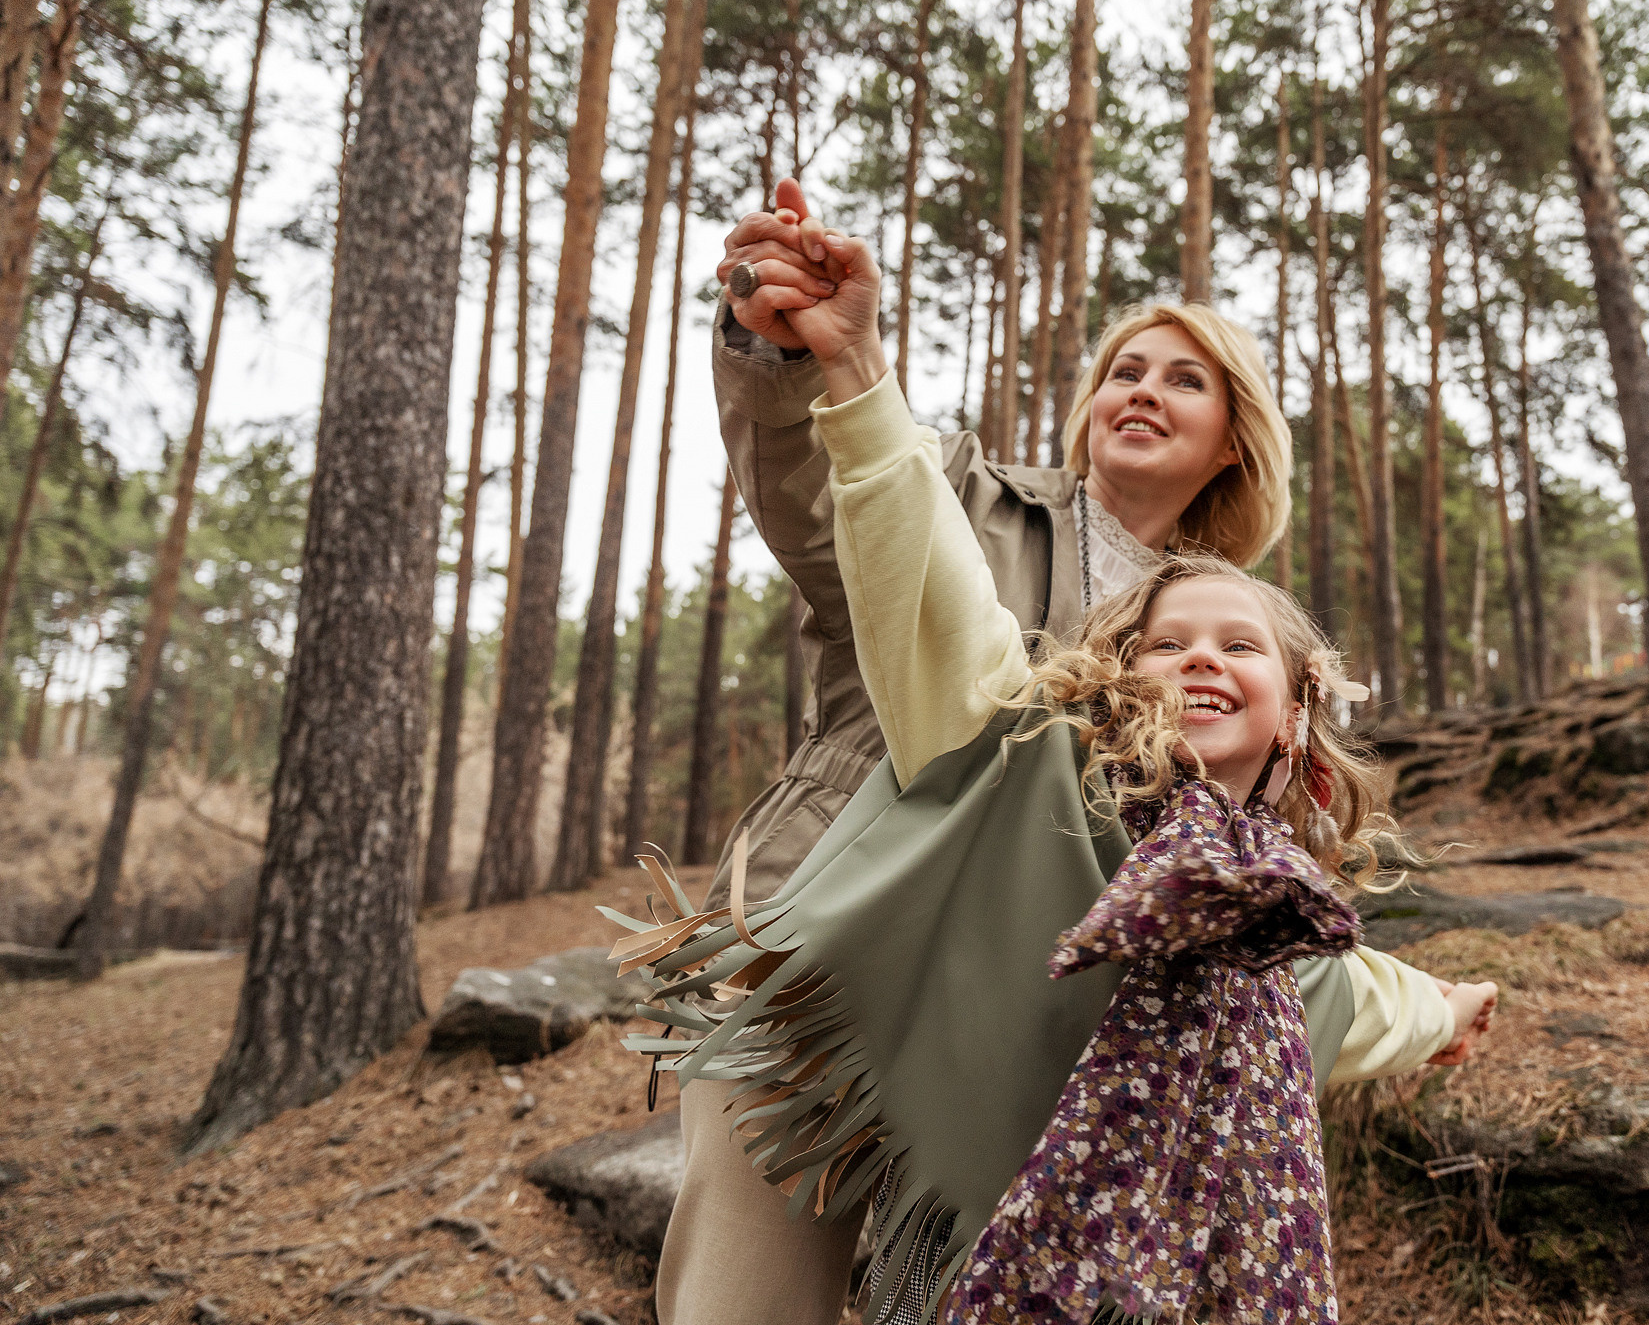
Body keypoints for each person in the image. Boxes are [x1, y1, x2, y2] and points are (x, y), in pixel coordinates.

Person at [624, 199, 1497, 1324]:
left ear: (1235, 437)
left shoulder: (1228, 696)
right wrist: (810, 356)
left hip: (1034, 1033)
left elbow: (1324, 983)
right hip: (838, 967)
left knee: (951, 1282)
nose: (1142, 389)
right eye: (1123, 370)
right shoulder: (970, 523)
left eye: (1185, 380)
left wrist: (1447, 1004)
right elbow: (861, 512)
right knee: (751, 1289)